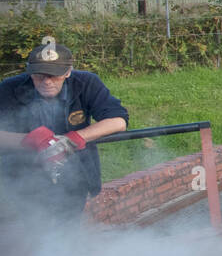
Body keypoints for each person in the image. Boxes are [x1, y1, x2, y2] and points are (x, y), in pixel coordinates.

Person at [0, 43, 128, 217]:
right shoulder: (9, 88)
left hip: (77, 174)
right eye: (39, 75)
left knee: (68, 227)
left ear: (68, 72)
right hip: (24, 176)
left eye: (54, 75)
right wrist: (30, 140)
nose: (46, 81)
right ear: (29, 72)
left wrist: (72, 139)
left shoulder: (86, 83)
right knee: (31, 226)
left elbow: (118, 121)